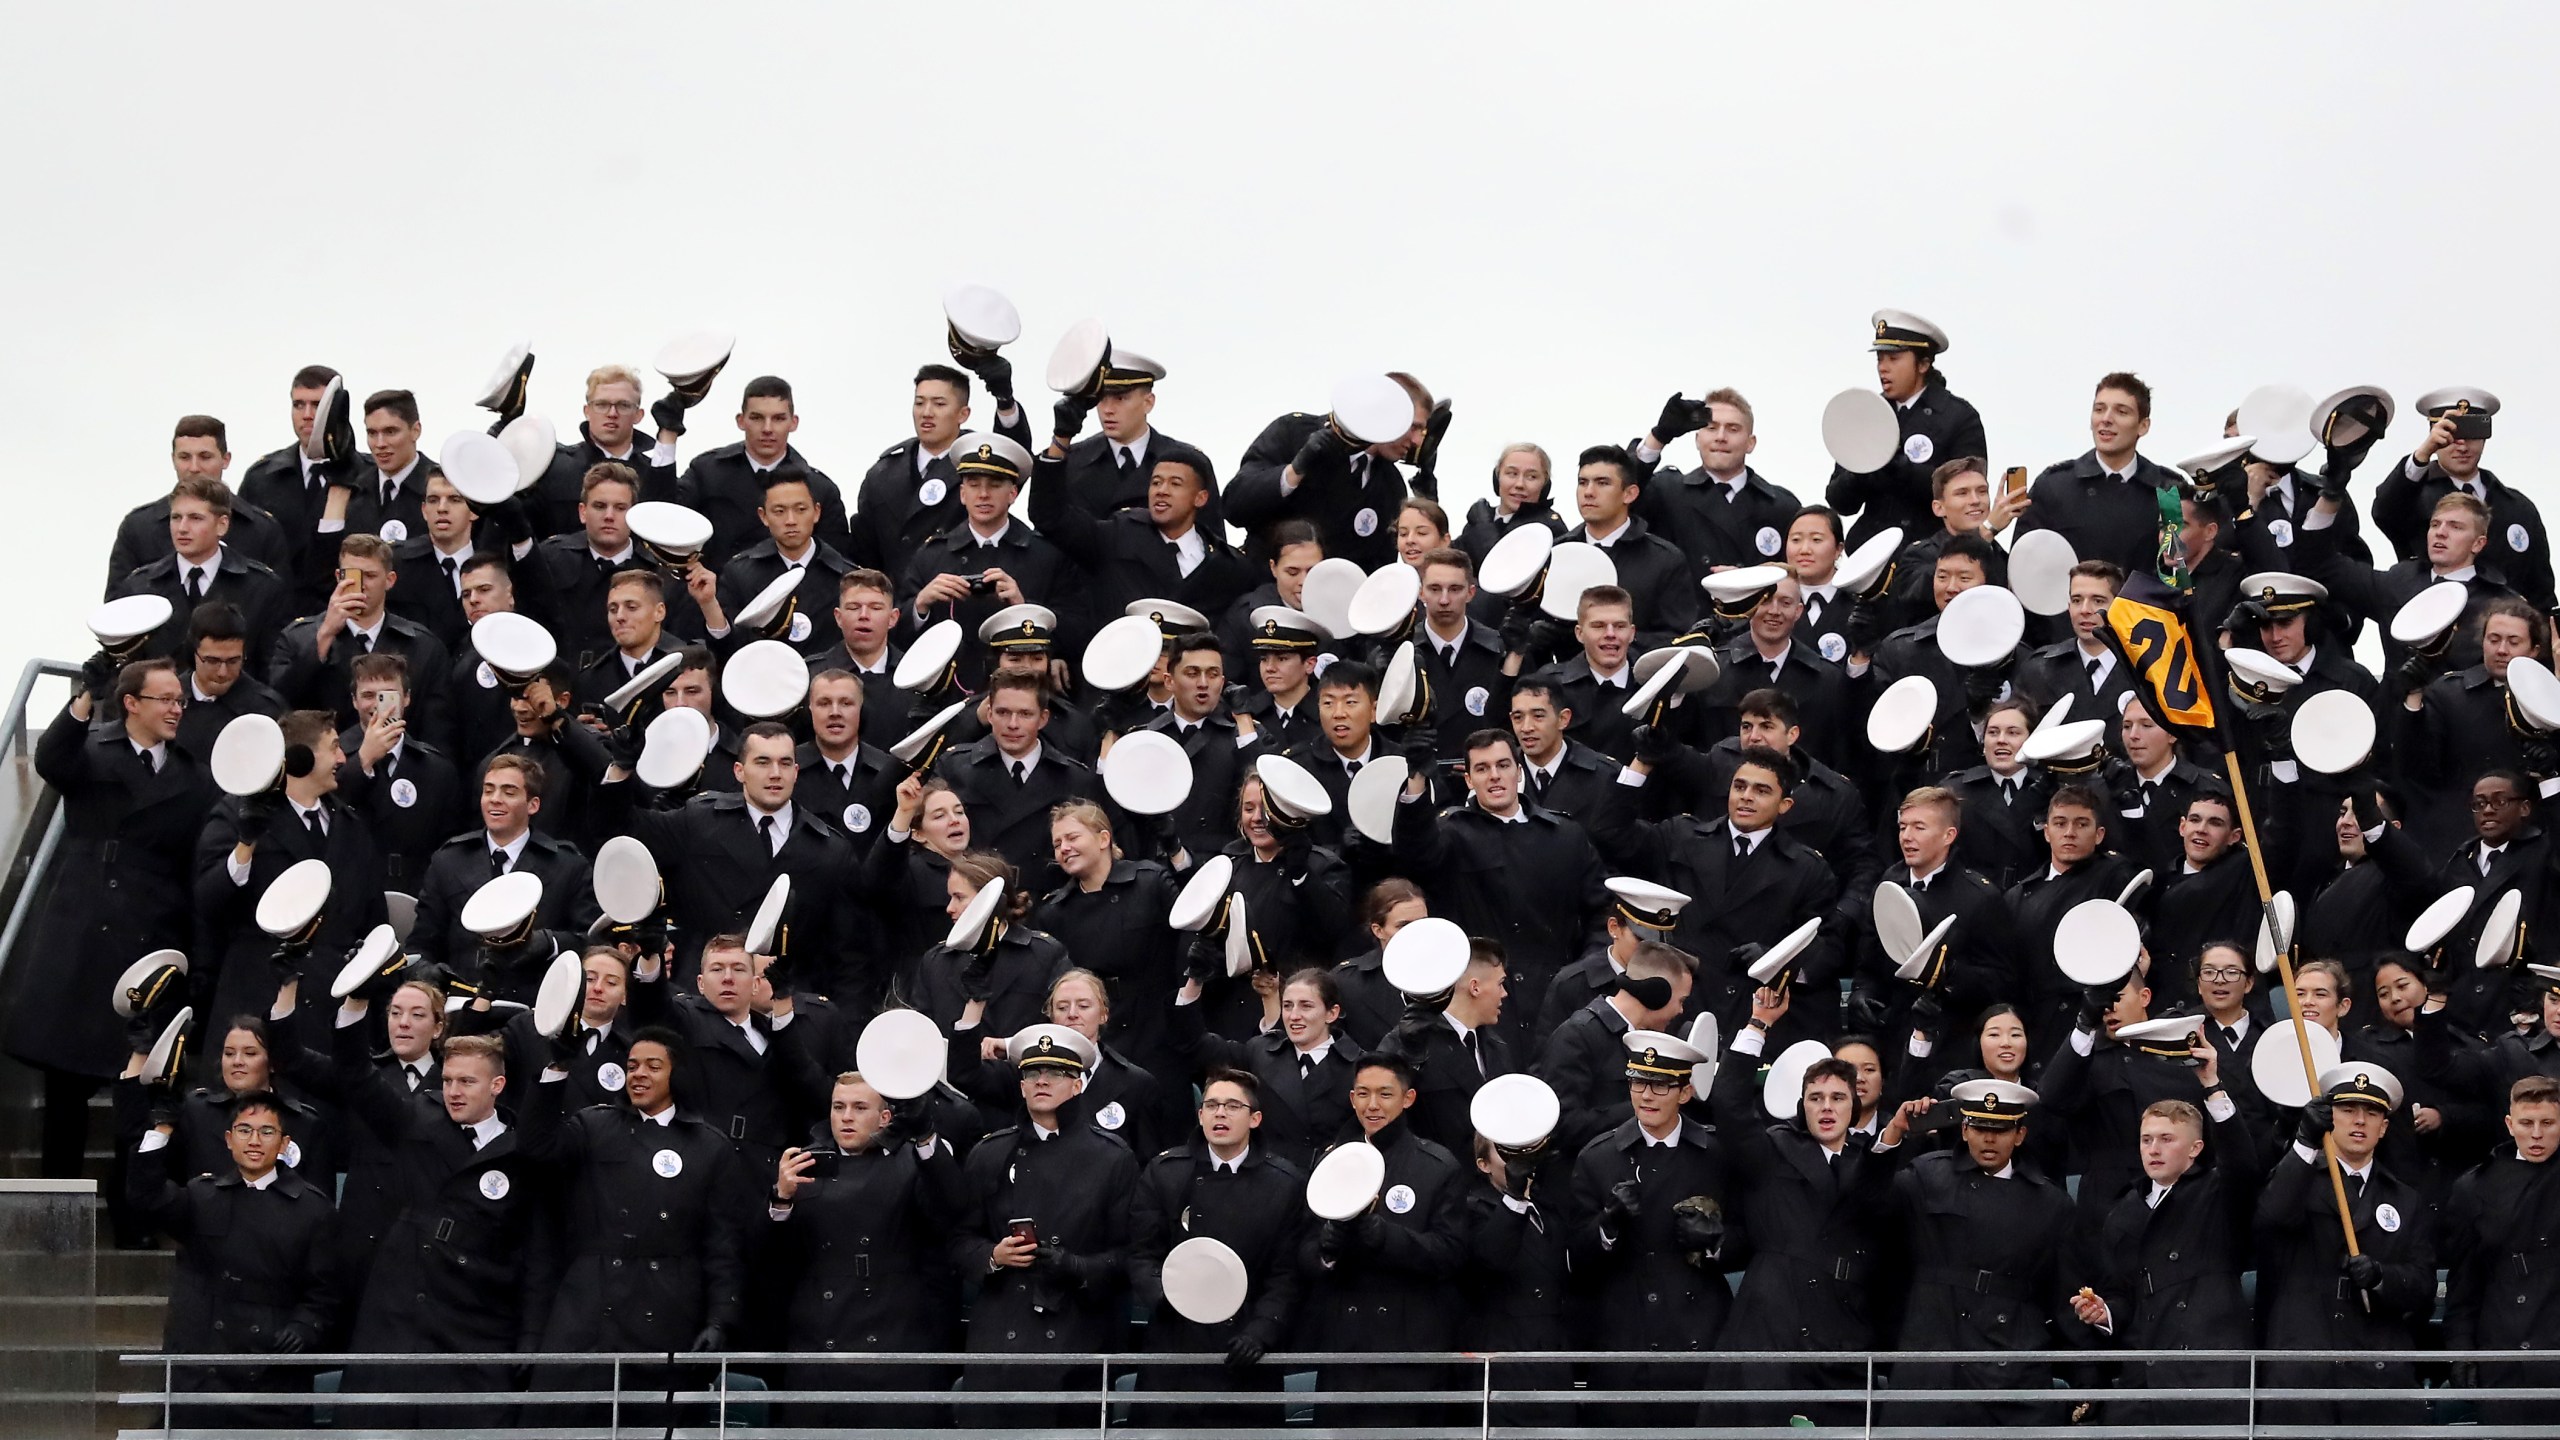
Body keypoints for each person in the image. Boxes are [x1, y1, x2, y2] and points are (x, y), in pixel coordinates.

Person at [5, 657, 208, 1200]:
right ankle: (56, 1209)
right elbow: (53, 760)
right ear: (131, 703)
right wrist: (83, 701)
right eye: (164, 699)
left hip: (150, 934)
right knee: (67, 1083)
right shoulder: (94, 750)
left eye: (179, 700)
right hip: (81, 930)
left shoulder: (190, 771)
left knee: (139, 1085)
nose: (176, 708)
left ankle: (133, 1210)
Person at [517, 1026, 748, 1429]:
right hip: (591, 1302)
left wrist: (720, 1319)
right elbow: (535, 1147)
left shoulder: (709, 1145)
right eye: (632, 1065)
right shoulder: (594, 1125)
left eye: (653, 1066)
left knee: (653, 1421)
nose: (638, 1074)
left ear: (676, 1074)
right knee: (564, 1422)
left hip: (669, 1303)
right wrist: (556, 1068)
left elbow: (722, 1244)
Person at [326, 1027, 548, 1429]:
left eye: (467, 1081)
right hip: (402, 1310)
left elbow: (537, 1254)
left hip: (480, 1319)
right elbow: (356, 1074)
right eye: (447, 1080)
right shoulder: (416, 1121)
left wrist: (531, 1336)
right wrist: (355, 1007)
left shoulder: (522, 1152)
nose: (453, 1091)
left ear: (497, 1085)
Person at [1712, 1007, 1901, 1428]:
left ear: (1856, 1105)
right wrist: (1757, 1026)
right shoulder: (1772, 1151)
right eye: (1816, 1098)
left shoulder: (1873, 1163)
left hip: (1843, 1336)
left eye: (1838, 1098)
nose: (1827, 1107)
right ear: (1801, 1105)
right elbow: (1727, 1104)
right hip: (1770, 1329)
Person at [2067, 1044, 2263, 1428]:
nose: (2153, 1149)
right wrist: (2105, 1313)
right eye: (2146, 1139)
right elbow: (2123, 1292)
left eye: (2166, 1139)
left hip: (2213, 1376)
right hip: (2145, 1378)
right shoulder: (2123, 1210)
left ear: (2196, 1149)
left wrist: (2211, 1085)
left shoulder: (2217, 1192)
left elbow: (2242, 1164)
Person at [952, 1024, 1138, 1425]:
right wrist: (993, 1256)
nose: (1041, 1081)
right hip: (1000, 1335)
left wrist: (1076, 1266)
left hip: (1076, 1332)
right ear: (1020, 1086)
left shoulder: (1112, 1158)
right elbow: (959, 1239)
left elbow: (1130, 1254)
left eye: (1056, 1073)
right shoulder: (989, 1153)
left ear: (1078, 1085)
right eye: (1032, 1073)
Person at [123, 1087, 337, 1427]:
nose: (254, 1140)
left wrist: (304, 1327)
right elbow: (145, 1197)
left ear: (284, 1144)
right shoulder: (201, 1196)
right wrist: (161, 1128)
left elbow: (324, 1293)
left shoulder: (313, 1209)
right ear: (228, 1139)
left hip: (269, 1378)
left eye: (267, 1132)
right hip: (202, 1375)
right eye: (244, 1131)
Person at [1602, 742, 1842, 1044]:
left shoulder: (1807, 870)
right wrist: (1640, 764)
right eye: (1739, 786)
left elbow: (1827, 950)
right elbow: (1612, 834)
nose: (1746, 796)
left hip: (1749, 1013)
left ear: (1785, 805)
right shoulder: (1682, 836)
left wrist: (1776, 960)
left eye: (1762, 791)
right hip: (1680, 1007)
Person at [768, 1069, 968, 1426]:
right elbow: (772, 1260)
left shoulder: (912, 1161)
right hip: (819, 1339)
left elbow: (950, 1211)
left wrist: (925, 1141)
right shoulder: (803, 1165)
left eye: (860, 1107)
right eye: (838, 1106)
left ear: (885, 1117)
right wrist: (780, 1199)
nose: (846, 1117)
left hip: (893, 1336)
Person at [1875, 1079, 2075, 1428]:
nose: (1989, 1138)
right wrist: (1893, 1134)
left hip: (2008, 1361)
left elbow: (2063, 1292)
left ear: (2020, 1135)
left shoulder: (2051, 1203)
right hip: (1934, 1351)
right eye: (1980, 1127)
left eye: (2000, 1129)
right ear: (1964, 1129)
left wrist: (2087, 1379)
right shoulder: (1926, 1175)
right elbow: (1869, 1204)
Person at [599, 720, 857, 982]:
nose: (775, 773)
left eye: (785, 763)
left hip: (783, 1001)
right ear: (739, 771)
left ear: (796, 771)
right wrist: (621, 767)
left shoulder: (829, 850)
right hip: (700, 996)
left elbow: (849, 953)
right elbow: (622, 832)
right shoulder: (700, 820)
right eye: (763, 762)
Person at [1565, 1028, 1735, 1423]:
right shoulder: (1598, 1157)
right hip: (1626, 1337)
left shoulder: (1716, 1155)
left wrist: (1714, 1244)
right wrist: (1606, 1225)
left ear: (1685, 1092)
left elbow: (1753, 1236)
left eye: (1660, 1085)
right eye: (1638, 1082)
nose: (1646, 1095)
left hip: (1698, 1336)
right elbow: (1574, 1258)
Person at [1391, 728, 1610, 1032]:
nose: (1494, 775)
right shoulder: (1451, 832)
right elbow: (1414, 855)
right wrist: (1416, 777)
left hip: (1555, 1000)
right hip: (1477, 1001)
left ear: (1519, 772)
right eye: (1482, 768)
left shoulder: (1565, 835)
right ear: (1468, 779)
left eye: (1503, 765)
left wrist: (1583, 972)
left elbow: (1603, 911)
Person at [2255, 1063, 2436, 1427]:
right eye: (2347, 1110)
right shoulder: (2298, 1177)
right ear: (2328, 1117)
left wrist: (2383, 1277)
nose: (2359, 1121)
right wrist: (2304, 1141)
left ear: (2384, 1128)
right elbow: (2272, 1218)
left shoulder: (2405, 1198)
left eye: (2371, 1113)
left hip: (2376, 1373)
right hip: (2305, 1368)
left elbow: (2422, 1284)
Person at [1292, 1054, 1467, 1427]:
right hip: (1345, 1344)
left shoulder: (1437, 1165)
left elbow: (1451, 1254)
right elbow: (1303, 1253)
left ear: (1408, 1098)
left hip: (1412, 1345)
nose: (1373, 1105)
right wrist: (1328, 1245)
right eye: (1363, 1093)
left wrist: (1385, 1236)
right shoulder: (1330, 1163)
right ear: (1351, 1098)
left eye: (1385, 1094)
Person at [1129, 1069, 1308, 1424]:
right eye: (1210, 1105)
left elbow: (1286, 1274)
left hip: (1245, 1350)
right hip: (1175, 1345)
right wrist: (1168, 1298)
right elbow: (1141, 1253)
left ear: (1255, 1118)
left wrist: (1262, 1330)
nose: (1219, 1114)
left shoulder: (1285, 1183)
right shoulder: (1165, 1172)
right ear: (1199, 1115)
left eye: (1231, 1106)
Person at [1032, 401, 1251, 629]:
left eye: (1175, 484)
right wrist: (1061, 439)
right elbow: (1050, 516)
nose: (1162, 490)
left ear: (1201, 498)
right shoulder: (1115, 537)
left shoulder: (1229, 566)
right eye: (1156, 482)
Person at [2442, 1075, 2560, 1428]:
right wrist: (2461, 1353)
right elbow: (2463, 1288)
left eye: (2548, 1123)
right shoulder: (2473, 1188)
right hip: (2504, 1352)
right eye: (2527, 1123)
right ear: (2510, 1125)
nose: (2536, 1134)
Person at [1229, 374, 1441, 571]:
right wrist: (1294, 471)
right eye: (1413, 427)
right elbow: (1234, 506)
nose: (1417, 441)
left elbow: (1380, 570)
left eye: (1421, 431)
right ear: (1387, 413)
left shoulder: (1391, 486)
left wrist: (1427, 500)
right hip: (1265, 597)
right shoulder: (1294, 432)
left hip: (1335, 607)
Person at [2370, 387, 2554, 612]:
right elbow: (2384, 509)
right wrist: (2422, 456)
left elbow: (2541, 591)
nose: (2462, 446)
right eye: (2452, 436)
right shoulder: (2412, 495)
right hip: (2435, 627)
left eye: (2472, 435)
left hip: (2506, 636)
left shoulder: (2518, 507)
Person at [269, 532, 455, 750]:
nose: (361, 585)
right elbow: (281, 703)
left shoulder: (424, 646)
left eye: (370, 575)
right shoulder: (297, 638)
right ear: (338, 577)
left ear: (390, 580)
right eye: (352, 575)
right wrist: (324, 636)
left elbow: (438, 733)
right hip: (323, 770)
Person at [847, 363, 1032, 578]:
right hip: (898, 602)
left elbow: (1013, 455)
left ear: (963, 414)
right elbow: (864, 549)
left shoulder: (980, 462)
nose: (927, 413)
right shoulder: (883, 472)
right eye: (919, 403)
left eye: (939, 404)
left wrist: (1005, 401)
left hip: (960, 595)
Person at [1823, 310, 1988, 547]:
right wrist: (1862, 470)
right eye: (1880, 359)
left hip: (1933, 556)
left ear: (1923, 364)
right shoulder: (1867, 414)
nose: (1883, 368)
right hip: (1871, 556)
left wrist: (1899, 466)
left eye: (1894, 359)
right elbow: (1840, 502)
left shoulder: (1958, 417)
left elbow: (1968, 498)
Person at [2015, 373, 2183, 582]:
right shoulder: (2054, 486)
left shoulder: (2168, 490)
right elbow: (2024, 566)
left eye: (2121, 412)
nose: (2106, 419)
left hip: (2143, 612)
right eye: (2099, 409)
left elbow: (2180, 570)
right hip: (2069, 612)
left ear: (2143, 426)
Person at [109, 473, 290, 667]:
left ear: (221, 525)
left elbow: (271, 668)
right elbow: (117, 665)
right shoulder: (139, 587)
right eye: (176, 518)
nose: (182, 528)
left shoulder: (261, 588)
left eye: (195, 518)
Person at [938, 672, 1103, 882]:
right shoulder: (954, 768)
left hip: (1045, 902)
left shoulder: (1074, 778)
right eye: (1003, 712)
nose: (1013, 724)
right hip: (975, 896)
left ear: (1043, 718)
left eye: (1025, 714)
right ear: (989, 715)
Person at [1535, 938, 1694, 1156]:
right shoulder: (1577, 1036)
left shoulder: (1653, 1040)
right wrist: (1643, 1109)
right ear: (1657, 994)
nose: (1681, 1011)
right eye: (1681, 1000)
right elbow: (1562, 1126)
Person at [675, 375, 849, 570]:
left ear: (793, 422)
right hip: (713, 592)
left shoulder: (820, 489)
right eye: (757, 418)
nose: (767, 429)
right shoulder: (706, 472)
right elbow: (667, 519)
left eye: (778, 418)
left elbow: (835, 565)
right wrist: (667, 438)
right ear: (741, 421)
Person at [1630, 386, 1803, 572]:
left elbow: (1796, 577)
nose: (1721, 437)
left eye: (1733, 429)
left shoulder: (1781, 506)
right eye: (1711, 428)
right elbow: (1618, 496)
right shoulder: (1666, 492)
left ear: (1750, 443)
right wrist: (1659, 436)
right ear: (1697, 439)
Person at [333, 652, 465, 894]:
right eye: (368, 695)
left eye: (387, 696)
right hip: (352, 892)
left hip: (418, 893)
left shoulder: (437, 768)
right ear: (354, 700)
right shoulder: (332, 759)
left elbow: (451, 846)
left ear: (406, 698)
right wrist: (363, 761)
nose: (376, 705)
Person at [232, 366, 349, 611]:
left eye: (317, 405)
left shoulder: (364, 475)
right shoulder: (262, 478)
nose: (307, 415)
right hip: (277, 613)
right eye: (298, 405)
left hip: (344, 612)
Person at [1562, 444, 1697, 650]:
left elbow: (1678, 637)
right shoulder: (1557, 554)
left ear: (1629, 494)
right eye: (1583, 482)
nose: (1589, 492)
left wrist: (1617, 639)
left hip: (1638, 678)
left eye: (1602, 483)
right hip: (1563, 678)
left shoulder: (1664, 559)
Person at [715, 467, 859, 658]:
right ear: (764, 516)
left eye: (800, 510)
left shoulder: (846, 577)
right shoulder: (739, 573)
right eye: (779, 511)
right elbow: (727, 646)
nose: (791, 521)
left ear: (816, 512)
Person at [530, 363, 680, 536]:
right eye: (602, 404)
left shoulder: (657, 475)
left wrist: (668, 437)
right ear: (587, 411)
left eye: (623, 405)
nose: (612, 413)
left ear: (639, 415)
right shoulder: (554, 468)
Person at [2014, 560, 2137, 744]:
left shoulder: (2144, 670)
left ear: (2120, 606)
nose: (2085, 610)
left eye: (2098, 601)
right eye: (2077, 600)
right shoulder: (2039, 669)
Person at [1518, 584, 1642, 761]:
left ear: (1632, 633)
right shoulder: (1550, 685)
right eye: (1598, 626)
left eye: (1619, 626)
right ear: (1580, 633)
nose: (1610, 634)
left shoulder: (1654, 684)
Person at [172, 602, 284, 761]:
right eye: (212, 661)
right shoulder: (167, 702)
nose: (222, 672)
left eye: (233, 661)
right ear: (192, 654)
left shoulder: (266, 710)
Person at [1454, 442, 1565, 574]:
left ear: (1545, 485)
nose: (1520, 484)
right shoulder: (1479, 518)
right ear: (1497, 477)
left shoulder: (1549, 528)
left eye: (1531, 477)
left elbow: (1502, 574)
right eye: (1512, 474)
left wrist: (1483, 529)